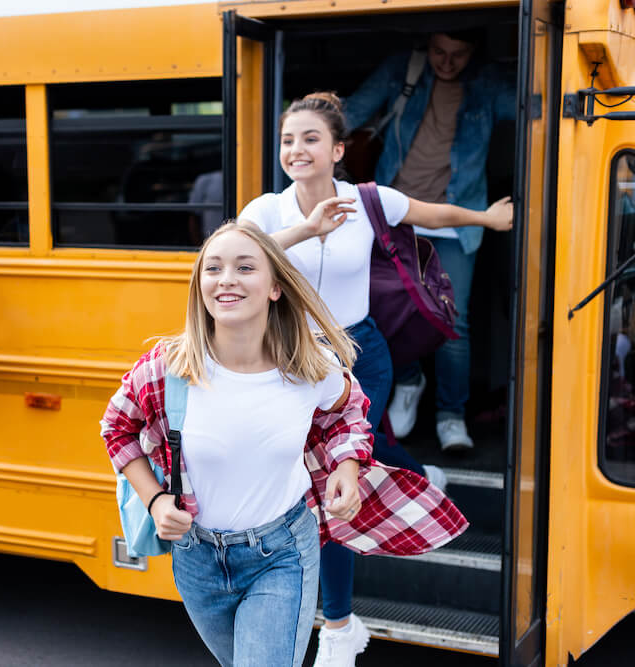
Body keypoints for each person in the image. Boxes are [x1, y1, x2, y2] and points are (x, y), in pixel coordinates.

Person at [101, 222, 468, 667]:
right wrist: (156, 500)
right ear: (200, 287)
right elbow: (116, 428)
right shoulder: (168, 367)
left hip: (281, 554)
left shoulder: (307, 366)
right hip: (196, 560)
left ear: (275, 287)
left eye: (244, 267)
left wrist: (348, 467)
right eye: (212, 268)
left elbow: (349, 410)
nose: (226, 278)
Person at [237, 92, 511, 667]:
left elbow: (430, 214)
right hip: (295, 366)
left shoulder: (366, 200)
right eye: (288, 140)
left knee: (334, 485)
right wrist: (306, 231)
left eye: (311, 139)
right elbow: (232, 257)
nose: (296, 149)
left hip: (361, 358)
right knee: (354, 462)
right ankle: (419, 474)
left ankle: (337, 630)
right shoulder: (267, 211)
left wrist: (485, 218)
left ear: (338, 150)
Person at [344, 30, 516, 451]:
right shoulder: (403, 69)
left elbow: (541, 109)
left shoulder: (488, 84)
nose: (447, 62)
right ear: (427, 46)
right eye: (439, 51)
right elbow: (347, 116)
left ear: (474, 53)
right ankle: (407, 381)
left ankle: (451, 416)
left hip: (456, 221)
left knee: (453, 323)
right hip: (395, 217)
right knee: (383, 315)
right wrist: (300, 124)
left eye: (458, 54)